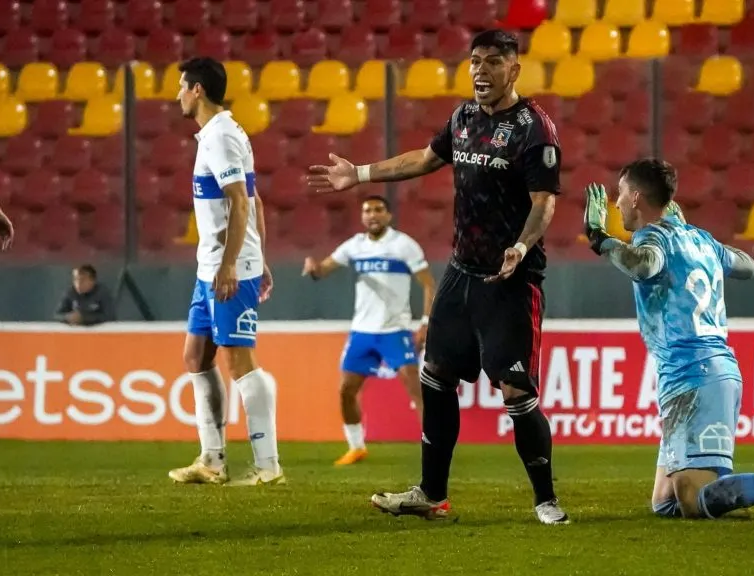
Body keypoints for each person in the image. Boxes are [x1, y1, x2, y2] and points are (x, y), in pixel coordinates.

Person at [307, 29, 569, 524]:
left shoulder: (535, 128)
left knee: (516, 392)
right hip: (460, 272)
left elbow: (544, 203)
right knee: (436, 377)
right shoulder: (462, 118)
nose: (480, 71)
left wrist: (519, 246)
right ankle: (432, 493)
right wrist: (359, 174)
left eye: (493, 62)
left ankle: (545, 499)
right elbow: (425, 159)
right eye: (475, 61)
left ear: (514, 69)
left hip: (511, 280)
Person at [582, 158, 754, 520]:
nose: (617, 202)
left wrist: (601, 240)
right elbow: (748, 266)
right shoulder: (700, 239)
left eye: (621, 194)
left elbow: (644, 265)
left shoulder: (652, 238)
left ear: (637, 197)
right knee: (666, 502)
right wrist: (700, 244)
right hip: (698, 373)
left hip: (696, 374)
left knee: (692, 497)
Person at [167, 57, 284, 487]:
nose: (177, 94)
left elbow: (240, 201)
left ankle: (269, 467)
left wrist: (237, 262)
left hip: (226, 267)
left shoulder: (220, 137)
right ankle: (212, 461)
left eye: (182, 86)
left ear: (197, 90)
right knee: (196, 357)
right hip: (211, 266)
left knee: (240, 362)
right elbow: (254, 201)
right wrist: (260, 254)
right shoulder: (222, 133)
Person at [302, 195, 435, 466]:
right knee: (346, 390)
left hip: (395, 330)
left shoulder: (403, 245)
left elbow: (429, 285)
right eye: (367, 211)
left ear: (388, 216)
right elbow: (324, 269)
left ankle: (434, 447)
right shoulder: (355, 246)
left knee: (416, 391)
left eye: (378, 210)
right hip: (361, 331)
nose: (372, 215)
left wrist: (425, 322)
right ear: (362, 218)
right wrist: (313, 269)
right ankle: (356, 446)